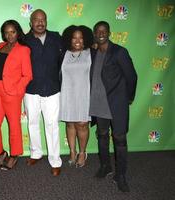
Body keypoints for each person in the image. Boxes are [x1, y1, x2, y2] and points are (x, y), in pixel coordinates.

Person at [90, 21, 137, 192]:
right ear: (95, 33)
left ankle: (121, 175)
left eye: (104, 31)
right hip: (98, 103)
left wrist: (128, 98)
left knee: (120, 140)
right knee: (102, 135)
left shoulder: (119, 52)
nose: (101, 33)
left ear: (109, 32)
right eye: (98, 31)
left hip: (117, 103)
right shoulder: (94, 51)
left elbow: (131, 77)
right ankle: (105, 166)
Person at [0, 20, 32, 170]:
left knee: (14, 125)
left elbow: (27, 75)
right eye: (7, 32)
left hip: (12, 93)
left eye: (13, 31)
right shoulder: (0, 46)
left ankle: (15, 154)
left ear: (18, 32)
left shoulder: (23, 50)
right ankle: (1, 152)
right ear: (3, 34)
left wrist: (17, 90)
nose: (10, 35)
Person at [24, 9, 63, 176]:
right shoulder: (24, 40)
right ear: (30, 22)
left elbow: (72, 53)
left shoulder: (57, 38)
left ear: (46, 21)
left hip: (53, 89)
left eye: (43, 19)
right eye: (36, 20)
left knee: (52, 125)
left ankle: (55, 160)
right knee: (32, 122)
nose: (40, 23)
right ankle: (36, 153)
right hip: (31, 90)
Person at [59, 25, 93, 167]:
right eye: (74, 38)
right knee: (70, 123)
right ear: (69, 39)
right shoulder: (63, 53)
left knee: (82, 124)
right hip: (67, 93)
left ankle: (82, 152)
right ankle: (72, 151)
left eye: (81, 38)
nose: (78, 40)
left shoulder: (92, 53)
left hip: (85, 94)